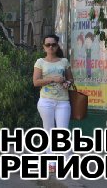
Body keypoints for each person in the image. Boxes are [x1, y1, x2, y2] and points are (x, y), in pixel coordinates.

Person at [33, 34, 74, 172]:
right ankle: (51, 163)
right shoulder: (40, 62)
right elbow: (36, 82)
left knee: (63, 132)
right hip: (46, 101)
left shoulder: (64, 61)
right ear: (44, 47)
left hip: (63, 101)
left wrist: (66, 83)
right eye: (48, 45)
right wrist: (52, 79)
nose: (51, 47)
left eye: (53, 44)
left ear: (57, 46)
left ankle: (68, 160)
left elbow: (71, 80)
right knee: (49, 132)